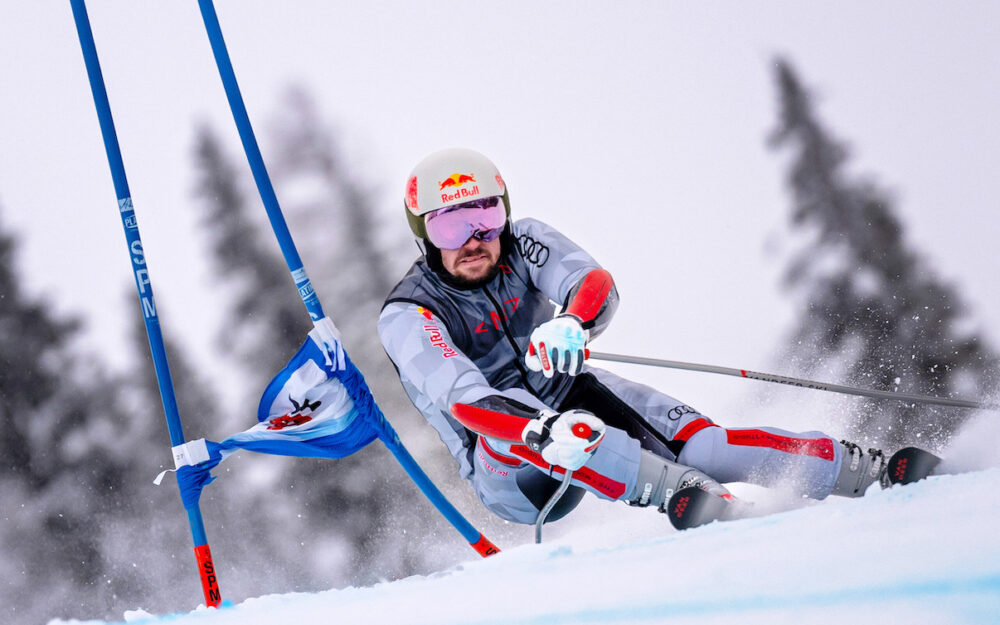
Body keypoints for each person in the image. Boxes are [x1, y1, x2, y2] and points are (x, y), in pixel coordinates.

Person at [378, 148, 905, 530]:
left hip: (566, 395)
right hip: (505, 463)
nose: (474, 239)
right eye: (450, 227)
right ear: (424, 236)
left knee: (703, 445)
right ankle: (687, 495)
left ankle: (869, 470)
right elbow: (469, 401)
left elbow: (593, 283)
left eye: (486, 218)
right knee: (560, 425)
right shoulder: (408, 313)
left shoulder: (525, 240)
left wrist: (574, 323)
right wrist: (538, 432)